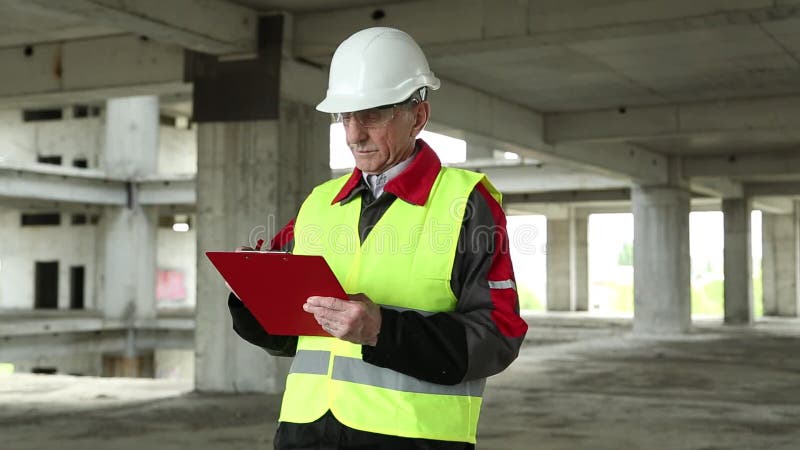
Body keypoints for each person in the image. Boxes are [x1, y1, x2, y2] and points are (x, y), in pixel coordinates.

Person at [228, 27, 528, 450]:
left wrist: (382, 331)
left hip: (411, 439)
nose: (353, 135)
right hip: (305, 434)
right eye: (345, 117)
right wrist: (250, 293)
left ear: (418, 117)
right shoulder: (320, 203)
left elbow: (499, 335)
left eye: (371, 115)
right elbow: (286, 334)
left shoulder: (465, 204)